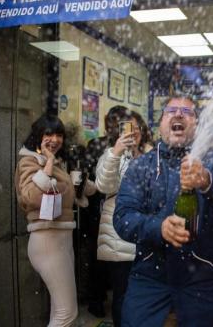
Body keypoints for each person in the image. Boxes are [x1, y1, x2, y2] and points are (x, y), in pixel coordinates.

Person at [113, 94, 213, 327]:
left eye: (186, 112)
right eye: (171, 111)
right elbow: (123, 217)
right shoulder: (141, 166)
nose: (178, 114)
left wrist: (207, 180)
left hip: (208, 287)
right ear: (161, 124)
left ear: (196, 124)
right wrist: (159, 228)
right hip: (151, 286)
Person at [14, 114, 95, 327]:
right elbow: (29, 197)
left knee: (59, 311)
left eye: (59, 134)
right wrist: (48, 163)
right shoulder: (30, 161)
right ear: (38, 136)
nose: (55, 139)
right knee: (67, 313)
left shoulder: (60, 163)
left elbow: (75, 193)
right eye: (48, 133)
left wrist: (81, 183)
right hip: (47, 241)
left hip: (61, 240)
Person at [94, 110, 153, 326]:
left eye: (136, 127)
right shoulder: (111, 155)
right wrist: (117, 151)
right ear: (117, 132)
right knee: (122, 297)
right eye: (126, 127)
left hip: (148, 235)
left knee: (148, 296)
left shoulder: (153, 154)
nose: (132, 132)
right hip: (118, 237)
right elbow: (103, 185)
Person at [85, 105, 129, 318]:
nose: (117, 127)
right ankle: (97, 300)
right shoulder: (100, 146)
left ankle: (100, 299)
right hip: (99, 208)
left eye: (122, 122)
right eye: (114, 122)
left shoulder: (136, 149)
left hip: (117, 213)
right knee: (100, 260)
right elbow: (97, 180)